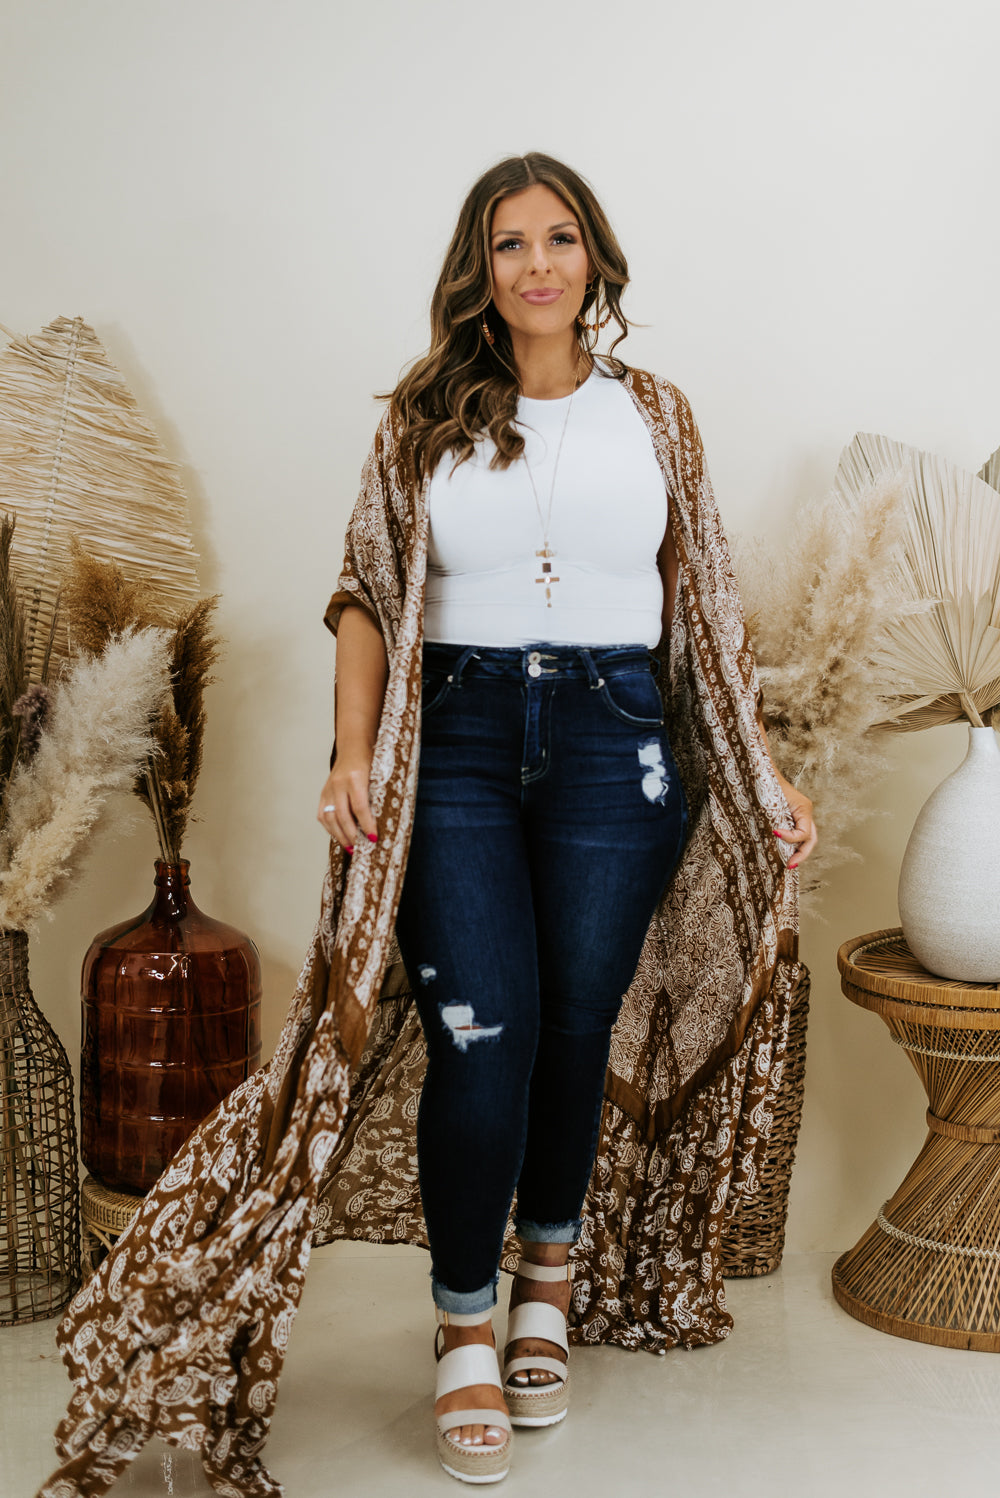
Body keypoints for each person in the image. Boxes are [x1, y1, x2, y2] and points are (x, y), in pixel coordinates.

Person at [316, 152, 816, 1486]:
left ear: (594, 256)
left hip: (615, 740)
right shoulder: (425, 413)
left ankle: (549, 1274)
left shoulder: (658, 415)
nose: (536, 264)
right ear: (478, 269)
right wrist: (354, 753)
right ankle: (463, 1323)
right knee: (484, 1031)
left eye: (559, 238)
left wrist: (760, 769)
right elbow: (366, 588)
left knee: (579, 1026)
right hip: (459, 740)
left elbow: (706, 601)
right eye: (508, 243)